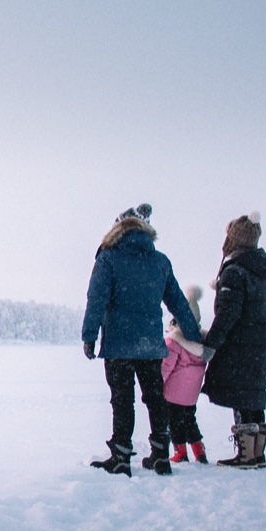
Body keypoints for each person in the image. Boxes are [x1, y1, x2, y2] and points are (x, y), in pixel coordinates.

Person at [82, 204, 203, 476]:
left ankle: (121, 457)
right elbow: (178, 303)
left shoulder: (109, 258)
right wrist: (193, 336)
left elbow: (96, 300)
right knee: (155, 398)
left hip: (118, 344)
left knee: (123, 400)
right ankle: (160, 455)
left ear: (117, 229)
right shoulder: (159, 261)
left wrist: (89, 336)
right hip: (149, 344)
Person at [201, 212, 266, 468]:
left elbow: (227, 314)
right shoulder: (264, 274)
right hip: (259, 347)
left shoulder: (235, 271)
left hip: (239, 346)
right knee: (253, 396)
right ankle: (257, 454)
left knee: (242, 397)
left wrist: (211, 343)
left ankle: (245, 455)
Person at [161, 285, 209, 464]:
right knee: (190, 420)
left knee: (174, 423)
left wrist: (158, 383)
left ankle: (180, 452)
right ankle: (199, 451)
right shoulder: (202, 345)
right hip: (191, 395)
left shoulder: (173, 342)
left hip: (173, 393)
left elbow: (166, 366)